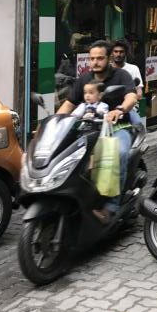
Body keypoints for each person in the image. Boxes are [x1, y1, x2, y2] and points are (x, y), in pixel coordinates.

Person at [58, 40, 137, 223]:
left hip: (117, 127)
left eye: (100, 58)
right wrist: (53, 123)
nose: (95, 62)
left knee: (119, 153)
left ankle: (111, 207)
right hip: (88, 130)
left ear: (109, 58)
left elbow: (131, 97)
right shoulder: (84, 79)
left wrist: (119, 110)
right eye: (92, 58)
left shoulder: (121, 75)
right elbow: (69, 104)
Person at [111, 39, 143, 126]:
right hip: (109, 108)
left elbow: (139, 93)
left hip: (129, 108)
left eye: (121, 52)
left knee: (138, 125)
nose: (118, 54)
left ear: (125, 53)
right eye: (116, 51)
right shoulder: (107, 70)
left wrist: (130, 97)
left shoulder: (133, 69)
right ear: (112, 53)